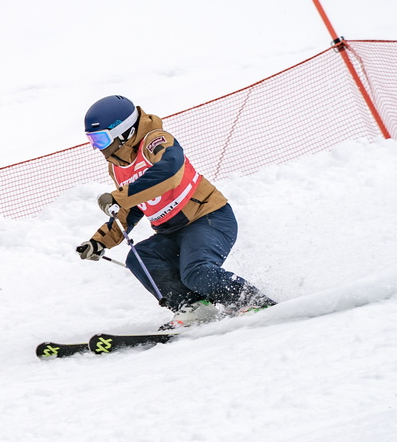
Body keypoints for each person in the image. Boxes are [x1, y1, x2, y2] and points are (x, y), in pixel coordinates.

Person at [75, 94, 275, 325]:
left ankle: (251, 299)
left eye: (100, 140)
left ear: (124, 131)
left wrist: (119, 197)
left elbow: (169, 173)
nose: (96, 148)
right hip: (171, 232)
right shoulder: (117, 166)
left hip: (208, 218)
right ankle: (194, 307)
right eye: (92, 141)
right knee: (140, 258)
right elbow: (131, 207)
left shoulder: (156, 140)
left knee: (195, 272)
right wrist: (101, 241)